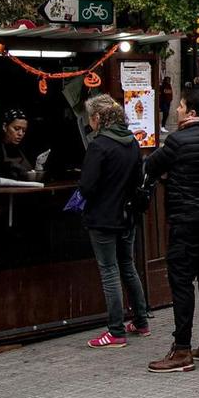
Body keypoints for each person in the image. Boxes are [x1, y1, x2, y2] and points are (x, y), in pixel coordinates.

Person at [145, 87, 199, 373]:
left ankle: (181, 348)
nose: (177, 110)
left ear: (191, 112)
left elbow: (151, 166)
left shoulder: (177, 141)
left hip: (184, 219)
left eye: (180, 106)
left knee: (181, 282)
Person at [79, 94, 150, 349]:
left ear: (99, 118)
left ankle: (116, 331)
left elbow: (87, 186)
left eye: (91, 117)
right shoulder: (131, 142)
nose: (90, 122)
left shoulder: (99, 146)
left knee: (109, 272)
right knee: (127, 266)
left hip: (103, 217)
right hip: (126, 215)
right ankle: (141, 322)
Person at [0, 109, 45, 181]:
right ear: (4, 127)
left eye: (24, 130)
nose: (20, 134)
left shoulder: (26, 149)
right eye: (16, 129)